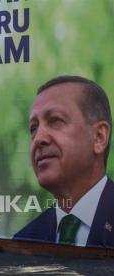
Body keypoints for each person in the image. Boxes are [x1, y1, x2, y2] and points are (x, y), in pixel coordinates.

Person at [14, 76, 114, 248]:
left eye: (55, 120)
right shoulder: (23, 242)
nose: (38, 139)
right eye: (33, 128)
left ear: (99, 137)